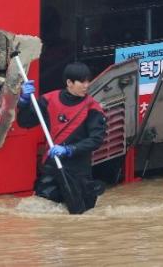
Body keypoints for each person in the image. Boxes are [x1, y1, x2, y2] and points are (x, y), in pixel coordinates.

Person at [16, 62, 105, 211]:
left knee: (79, 214)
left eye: (88, 81)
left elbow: (96, 140)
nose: (86, 85)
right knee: (42, 210)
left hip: (78, 172)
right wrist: (23, 101)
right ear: (69, 82)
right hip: (51, 168)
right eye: (82, 81)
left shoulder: (92, 107)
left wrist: (69, 149)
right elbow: (24, 122)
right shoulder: (49, 100)